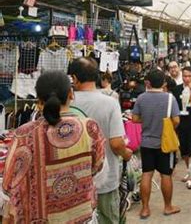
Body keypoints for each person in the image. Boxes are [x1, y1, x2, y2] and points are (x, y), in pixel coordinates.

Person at [2, 71, 105, 223]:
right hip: (80, 216)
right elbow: (98, 168)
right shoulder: (89, 127)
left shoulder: (24, 134)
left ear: (39, 101)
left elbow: (8, 184)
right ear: (71, 94)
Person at [70, 57, 132, 223]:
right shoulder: (110, 102)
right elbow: (117, 143)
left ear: (74, 78)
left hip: (74, 179)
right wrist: (127, 154)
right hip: (105, 177)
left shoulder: (66, 102)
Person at [132, 70, 181, 219]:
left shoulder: (141, 98)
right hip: (164, 143)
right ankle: (168, 206)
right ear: (164, 83)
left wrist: (146, 121)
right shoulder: (170, 98)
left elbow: (134, 119)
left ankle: (145, 208)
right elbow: (177, 120)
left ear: (148, 83)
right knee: (166, 175)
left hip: (146, 143)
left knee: (147, 174)